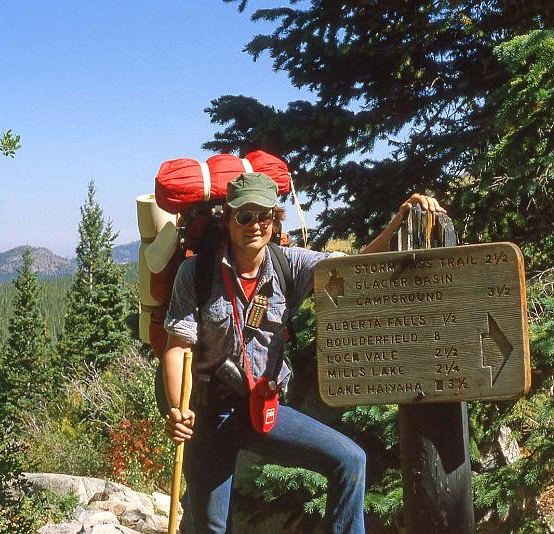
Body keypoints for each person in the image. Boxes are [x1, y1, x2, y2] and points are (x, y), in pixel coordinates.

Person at [163, 172, 446, 534]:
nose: (255, 224)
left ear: (274, 218)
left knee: (349, 459)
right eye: (244, 216)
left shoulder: (287, 265)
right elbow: (177, 347)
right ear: (228, 219)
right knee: (209, 528)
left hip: (262, 410)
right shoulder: (197, 273)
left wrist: (398, 221)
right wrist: (178, 408)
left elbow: (352, 268)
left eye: (263, 215)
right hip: (209, 415)